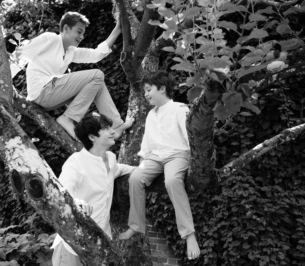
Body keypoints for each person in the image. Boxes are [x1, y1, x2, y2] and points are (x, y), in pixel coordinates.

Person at [118, 71, 201, 260]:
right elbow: (146, 143)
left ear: (162, 88)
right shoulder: (150, 115)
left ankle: (189, 234)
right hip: (154, 157)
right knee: (136, 178)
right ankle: (136, 225)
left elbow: (191, 138)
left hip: (177, 154)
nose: (146, 94)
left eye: (149, 90)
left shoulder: (180, 109)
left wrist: (195, 162)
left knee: (172, 181)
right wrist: (142, 163)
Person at [20, 11, 133, 140]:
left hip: (50, 97)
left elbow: (96, 54)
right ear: (66, 28)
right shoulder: (50, 38)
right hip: (42, 91)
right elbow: (21, 53)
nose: (82, 36)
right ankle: (68, 118)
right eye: (79, 32)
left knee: (98, 82)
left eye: (83, 33)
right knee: (97, 75)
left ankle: (117, 126)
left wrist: (118, 29)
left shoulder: (70, 51)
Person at [51, 112, 136, 266]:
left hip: (101, 245)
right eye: (105, 128)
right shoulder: (76, 162)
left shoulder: (110, 158)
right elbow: (62, 191)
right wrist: (77, 203)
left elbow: (119, 169)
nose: (112, 131)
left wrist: (144, 169)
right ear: (92, 137)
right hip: (72, 246)